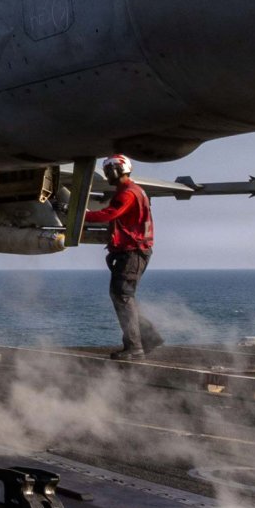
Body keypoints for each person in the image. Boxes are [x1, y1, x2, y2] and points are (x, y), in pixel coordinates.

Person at [85, 154, 163, 360]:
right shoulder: (133, 190)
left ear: (118, 170)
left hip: (133, 252)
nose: (108, 175)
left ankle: (135, 347)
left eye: (110, 171)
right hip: (132, 251)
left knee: (122, 296)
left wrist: (80, 214)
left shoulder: (127, 193)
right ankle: (148, 337)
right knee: (125, 296)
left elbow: (109, 214)